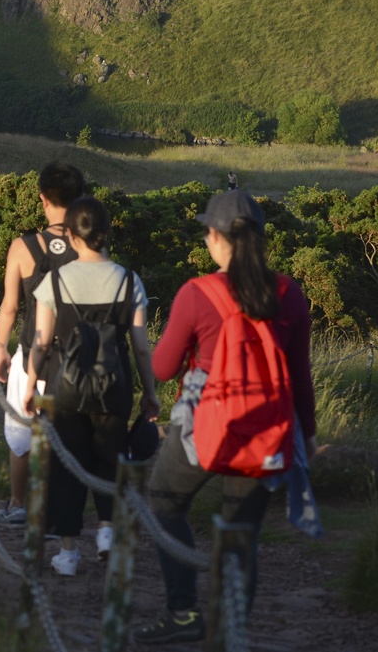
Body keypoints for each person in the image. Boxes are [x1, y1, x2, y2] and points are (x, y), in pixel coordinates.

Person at [133, 190, 317, 646]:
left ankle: (182, 613)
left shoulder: (198, 293)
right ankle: (229, 632)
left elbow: (161, 368)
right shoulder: (289, 294)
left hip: (204, 425)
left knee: (164, 503)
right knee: (241, 536)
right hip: (267, 427)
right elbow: (299, 378)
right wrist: (307, 437)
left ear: (215, 238)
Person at [19, 196, 158, 577]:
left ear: (73, 237)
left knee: (68, 465)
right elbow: (142, 347)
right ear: (106, 233)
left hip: (65, 385)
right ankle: (107, 534)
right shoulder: (130, 280)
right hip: (115, 385)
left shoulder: (55, 281)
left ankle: (67, 552)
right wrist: (150, 392)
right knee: (111, 457)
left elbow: (41, 342)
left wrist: (31, 385)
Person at [0, 161, 86, 526]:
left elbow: (10, 307)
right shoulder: (90, 247)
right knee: (70, 437)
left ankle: (19, 504)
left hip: (32, 352)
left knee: (20, 433)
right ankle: (63, 511)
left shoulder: (23, 246)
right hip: (79, 357)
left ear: (43, 199)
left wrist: (0, 348)